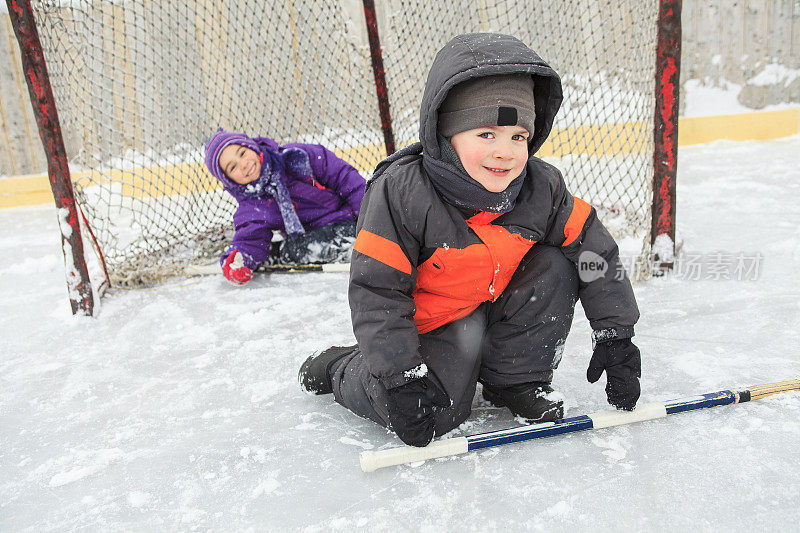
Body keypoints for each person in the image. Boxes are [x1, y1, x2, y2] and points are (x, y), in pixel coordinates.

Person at [298, 33, 642, 447]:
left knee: (556, 263)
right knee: (438, 413)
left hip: (494, 305)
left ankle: (514, 380)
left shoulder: (541, 186)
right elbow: (378, 290)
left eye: (518, 136)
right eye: (486, 134)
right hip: (434, 324)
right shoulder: (403, 192)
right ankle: (341, 368)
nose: (506, 152)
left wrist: (615, 333)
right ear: (446, 134)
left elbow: (595, 253)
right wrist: (400, 375)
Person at [204, 128, 366, 285]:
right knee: (299, 249)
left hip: (352, 215)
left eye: (242, 153)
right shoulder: (253, 207)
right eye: (232, 167)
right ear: (229, 180)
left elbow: (345, 178)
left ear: (252, 147)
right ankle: (281, 253)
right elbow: (249, 239)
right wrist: (239, 260)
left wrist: (368, 212)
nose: (243, 164)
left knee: (369, 227)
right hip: (313, 236)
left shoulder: (297, 157)